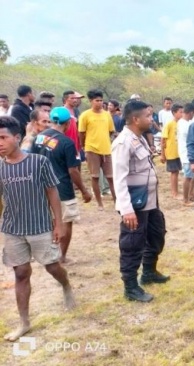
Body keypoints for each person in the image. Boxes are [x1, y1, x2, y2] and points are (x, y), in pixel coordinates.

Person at [0, 116, 76, 342]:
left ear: (17, 137)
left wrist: (58, 223)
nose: (0, 142)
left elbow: (52, 191)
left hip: (40, 227)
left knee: (52, 267)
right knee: (21, 273)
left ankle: (66, 286)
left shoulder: (38, 162)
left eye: (3, 137)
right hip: (13, 229)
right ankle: (24, 322)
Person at [112, 101, 170, 302]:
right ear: (136, 119)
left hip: (150, 200)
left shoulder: (139, 138)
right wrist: (126, 210)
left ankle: (149, 272)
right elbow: (119, 179)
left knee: (156, 234)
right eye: (148, 116)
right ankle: (130, 287)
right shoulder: (123, 142)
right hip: (135, 204)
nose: (151, 119)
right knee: (132, 244)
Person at [31, 107, 92, 264]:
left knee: (48, 221)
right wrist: (84, 190)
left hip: (41, 187)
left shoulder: (38, 138)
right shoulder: (67, 142)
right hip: (62, 188)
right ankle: (61, 257)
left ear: (51, 120)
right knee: (66, 221)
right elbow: (73, 171)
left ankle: (45, 253)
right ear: (69, 124)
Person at [79, 89, 116, 209]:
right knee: (95, 176)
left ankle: (117, 201)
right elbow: (81, 133)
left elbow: (111, 131)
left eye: (101, 100)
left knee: (111, 177)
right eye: (97, 100)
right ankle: (100, 203)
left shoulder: (107, 115)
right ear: (91, 101)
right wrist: (84, 146)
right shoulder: (85, 115)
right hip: (91, 149)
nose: (99, 103)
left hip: (106, 149)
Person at [161, 103, 184, 200]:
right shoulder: (169, 124)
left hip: (179, 152)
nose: (182, 114)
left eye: (183, 112)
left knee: (177, 172)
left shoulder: (182, 123)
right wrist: (163, 154)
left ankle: (176, 191)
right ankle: (174, 193)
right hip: (171, 152)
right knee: (174, 172)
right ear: (174, 113)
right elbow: (163, 140)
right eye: (180, 112)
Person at [62, 91, 83, 160]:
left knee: (77, 165)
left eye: (76, 98)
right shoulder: (62, 111)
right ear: (65, 99)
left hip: (76, 144)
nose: (75, 100)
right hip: (66, 145)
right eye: (72, 98)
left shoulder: (76, 111)